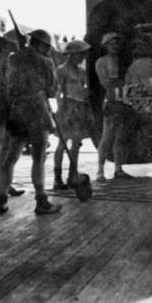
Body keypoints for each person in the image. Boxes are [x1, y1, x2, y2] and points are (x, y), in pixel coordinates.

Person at [0, 29, 62, 214]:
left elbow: (8, 85)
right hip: (38, 112)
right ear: (41, 45)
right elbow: (51, 90)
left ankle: (2, 199)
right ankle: (41, 201)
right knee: (38, 158)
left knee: (11, 157)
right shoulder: (45, 62)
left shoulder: (13, 58)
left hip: (17, 111)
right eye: (47, 48)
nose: (49, 51)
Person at [53, 39, 94, 190]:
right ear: (71, 55)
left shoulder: (81, 71)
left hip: (79, 107)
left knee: (76, 144)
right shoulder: (61, 70)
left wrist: (87, 108)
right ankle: (57, 178)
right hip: (66, 107)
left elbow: (83, 91)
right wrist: (62, 108)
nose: (83, 57)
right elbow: (59, 91)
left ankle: (72, 176)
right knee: (62, 144)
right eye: (80, 54)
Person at [0, 36, 25, 198]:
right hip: (2, 104)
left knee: (7, 146)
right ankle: (0, 183)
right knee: (2, 145)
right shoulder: (1, 59)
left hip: (10, 104)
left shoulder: (11, 59)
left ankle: (4, 183)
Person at [95, 32, 134, 182]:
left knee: (121, 137)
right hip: (111, 100)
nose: (114, 46)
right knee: (107, 136)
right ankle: (100, 170)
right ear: (105, 46)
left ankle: (118, 169)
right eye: (111, 44)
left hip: (123, 100)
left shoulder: (122, 61)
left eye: (116, 43)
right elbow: (105, 83)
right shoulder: (101, 62)